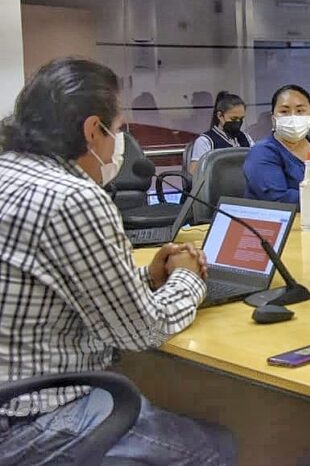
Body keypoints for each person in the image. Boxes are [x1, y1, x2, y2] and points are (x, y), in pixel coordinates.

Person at [0, 58, 235, 464]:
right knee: (213, 448)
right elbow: (142, 330)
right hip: (32, 417)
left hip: (10, 394)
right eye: (118, 129)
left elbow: (56, 287)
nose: (118, 145)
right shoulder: (74, 198)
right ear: (93, 130)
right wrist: (188, 278)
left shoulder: (9, 173)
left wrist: (148, 277)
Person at [188, 91, 254, 175]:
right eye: (233, 119)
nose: (238, 122)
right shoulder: (206, 141)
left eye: (241, 119)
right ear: (220, 116)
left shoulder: (246, 138)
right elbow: (194, 173)